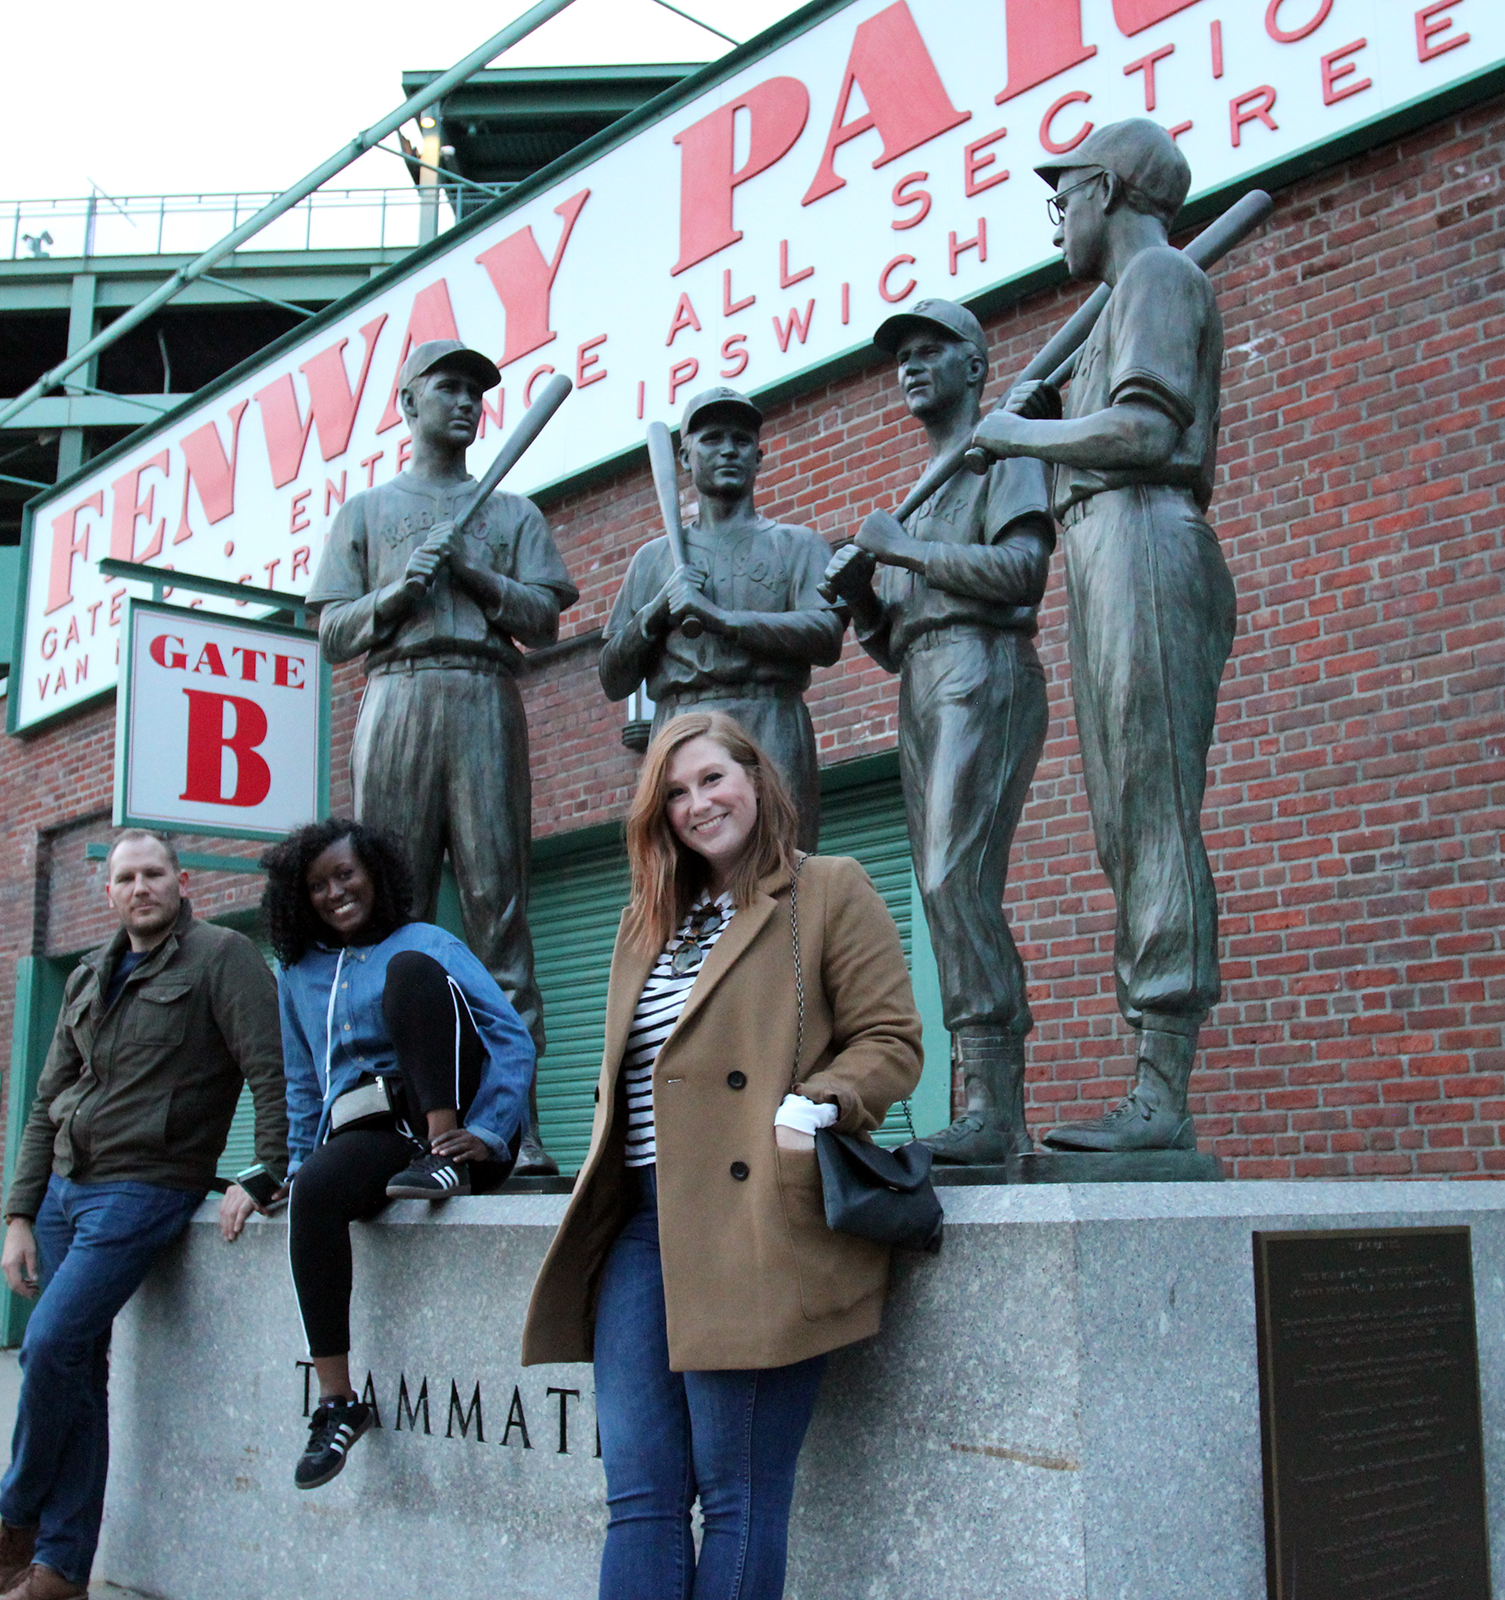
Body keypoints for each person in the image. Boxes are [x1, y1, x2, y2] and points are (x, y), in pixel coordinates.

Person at [522, 712, 922, 1600]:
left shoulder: (827, 889)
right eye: (675, 793)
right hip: (640, 1225)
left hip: (756, 1222)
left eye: (712, 779)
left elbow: (890, 1039)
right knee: (640, 1495)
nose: (698, 804)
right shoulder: (643, 921)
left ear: (756, 779)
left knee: (741, 1497)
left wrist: (812, 1106)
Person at [969, 119, 1235, 1154]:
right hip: (1098, 546)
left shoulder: (1161, 279)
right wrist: (1045, 409)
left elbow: (1149, 434)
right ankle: (1151, 1077)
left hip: (1143, 535)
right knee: (1123, 818)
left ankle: (1162, 1090)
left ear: (1110, 191)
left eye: (1065, 197)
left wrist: (1020, 433)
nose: (1058, 223)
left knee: (1152, 807)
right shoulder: (1119, 305)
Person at [0, 831, 287, 1600]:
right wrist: (19, 1212)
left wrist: (267, 1172)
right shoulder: (86, 976)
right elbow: (46, 1104)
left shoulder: (222, 957)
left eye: (153, 874)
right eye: (125, 878)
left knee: (49, 1347)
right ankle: (62, 1569)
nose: (140, 887)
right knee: (76, 1369)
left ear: (181, 882)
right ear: (108, 893)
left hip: (146, 1186)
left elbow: (271, 1068)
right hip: (64, 1193)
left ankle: (18, 1520)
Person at [308, 337, 577, 1176]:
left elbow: (544, 620)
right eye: (447, 387)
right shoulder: (367, 512)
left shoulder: (512, 513)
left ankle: (516, 1122)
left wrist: (475, 576)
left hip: (484, 695)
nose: (465, 402)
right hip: (395, 696)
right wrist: (398, 593)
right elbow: (330, 632)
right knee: (395, 918)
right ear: (407, 403)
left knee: (500, 911)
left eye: (475, 390)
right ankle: (396, 1116)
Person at [823, 298, 1055, 1165]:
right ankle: (976, 1098)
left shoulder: (1007, 450)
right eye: (903, 356)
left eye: (933, 350)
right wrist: (862, 600)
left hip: (985, 669)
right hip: (924, 677)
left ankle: (996, 1103)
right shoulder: (923, 491)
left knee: (957, 877)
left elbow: (1022, 574)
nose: (913, 366)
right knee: (936, 885)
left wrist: (906, 551)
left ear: (975, 365)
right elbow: (896, 642)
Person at [263, 817, 535, 1490]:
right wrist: (299, 1165)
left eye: (346, 875)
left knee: (412, 973)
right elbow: (304, 1083)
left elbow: (511, 1037)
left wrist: (491, 1130)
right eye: (318, 885)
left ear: (375, 874)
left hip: (458, 1120)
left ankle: (445, 1154)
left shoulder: (427, 940)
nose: (334, 892)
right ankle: (337, 1404)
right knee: (317, 1197)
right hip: (377, 1133)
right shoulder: (295, 974)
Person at [597, 388, 843, 847]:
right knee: (681, 888)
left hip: (770, 719)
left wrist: (720, 618)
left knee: (782, 875)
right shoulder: (654, 561)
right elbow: (613, 676)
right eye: (711, 438)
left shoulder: (797, 545)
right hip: (680, 723)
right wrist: (656, 613)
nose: (728, 449)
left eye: (741, 439)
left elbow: (826, 635)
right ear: (685, 459)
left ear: (760, 457)